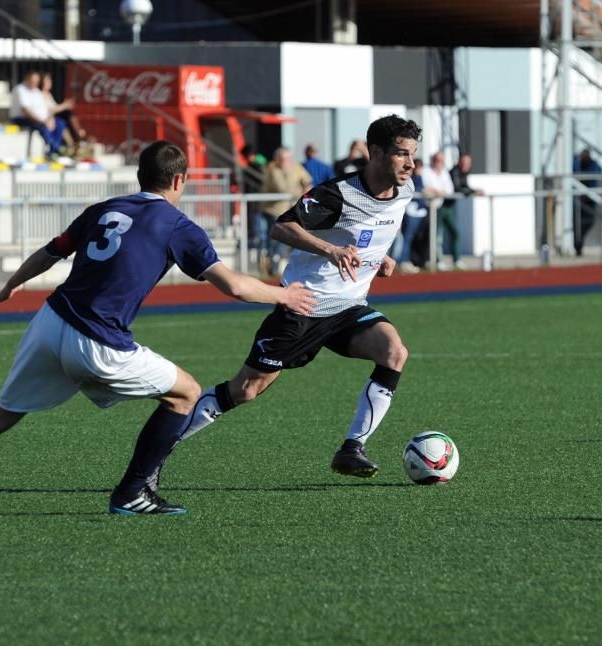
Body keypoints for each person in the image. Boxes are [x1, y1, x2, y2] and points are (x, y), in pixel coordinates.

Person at [0, 141, 314, 520]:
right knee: (186, 392)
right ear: (179, 180)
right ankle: (132, 492)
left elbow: (51, 251)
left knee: (2, 414)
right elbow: (235, 286)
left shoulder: (104, 209)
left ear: (139, 177)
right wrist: (284, 296)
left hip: (50, 322)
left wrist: (11, 285)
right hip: (97, 341)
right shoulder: (177, 225)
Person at [146, 115, 422, 491]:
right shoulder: (337, 194)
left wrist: (380, 258)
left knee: (394, 352)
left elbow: (374, 232)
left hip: (349, 307)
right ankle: (158, 450)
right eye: (402, 154)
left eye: (413, 155)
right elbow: (281, 226)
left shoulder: (405, 190)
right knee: (245, 390)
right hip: (303, 306)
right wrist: (330, 248)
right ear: (375, 153)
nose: (410, 164)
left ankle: (352, 448)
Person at [258, 146, 313, 277]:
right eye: (283, 159)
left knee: (289, 239)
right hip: (273, 210)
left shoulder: (296, 167)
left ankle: (277, 265)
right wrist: (297, 191)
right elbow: (281, 188)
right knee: (273, 240)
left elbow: (308, 181)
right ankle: (271, 266)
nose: (286, 161)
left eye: (288, 158)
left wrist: (305, 189)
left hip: (290, 210)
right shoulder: (272, 169)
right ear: (277, 159)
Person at [9, 71, 66, 157]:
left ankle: (54, 149)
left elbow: (44, 109)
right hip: (22, 118)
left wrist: (49, 119)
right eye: (33, 81)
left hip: (38, 119)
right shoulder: (20, 89)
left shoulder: (36, 91)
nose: (35, 83)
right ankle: (55, 148)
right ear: (27, 79)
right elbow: (26, 111)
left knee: (59, 123)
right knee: (41, 125)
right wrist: (43, 121)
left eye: (37, 81)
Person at [421, 151, 456, 270]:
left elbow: (449, 189)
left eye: (441, 160)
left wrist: (438, 192)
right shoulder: (426, 171)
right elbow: (426, 188)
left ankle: (451, 260)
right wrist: (439, 191)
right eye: (437, 160)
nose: (439, 163)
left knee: (451, 232)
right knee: (433, 235)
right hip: (429, 207)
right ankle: (433, 260)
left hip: (443, 206)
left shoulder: (445, 172)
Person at [41, 73, 86, 154]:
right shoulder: (40, 94)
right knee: (63, 120)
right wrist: (64, 106)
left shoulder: (48, 94)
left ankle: (75, 139)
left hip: (53, 116)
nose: (50, 83)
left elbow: (55, 107)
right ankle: (74, 141)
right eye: (47, 81)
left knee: (67, 116)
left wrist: (64, 105)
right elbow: (50, 110)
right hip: (47, 118)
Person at [397, 158, 427, 273]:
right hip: (411, 212)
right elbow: (417, 190)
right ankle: (403, 260)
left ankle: (411, 260)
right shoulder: (411, 178)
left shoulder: (421, 177)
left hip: (420, 212)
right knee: (407, 237)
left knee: (415, 238)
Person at [572, 149, 602, 257]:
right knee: (576, 223)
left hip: (590, 198)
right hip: (578, 199)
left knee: (590, 221)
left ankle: (579, 241)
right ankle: (577, 245)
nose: (584, 159)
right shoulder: (576, 164)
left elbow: (598, 172)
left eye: (586, 157)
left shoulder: (593, 165)